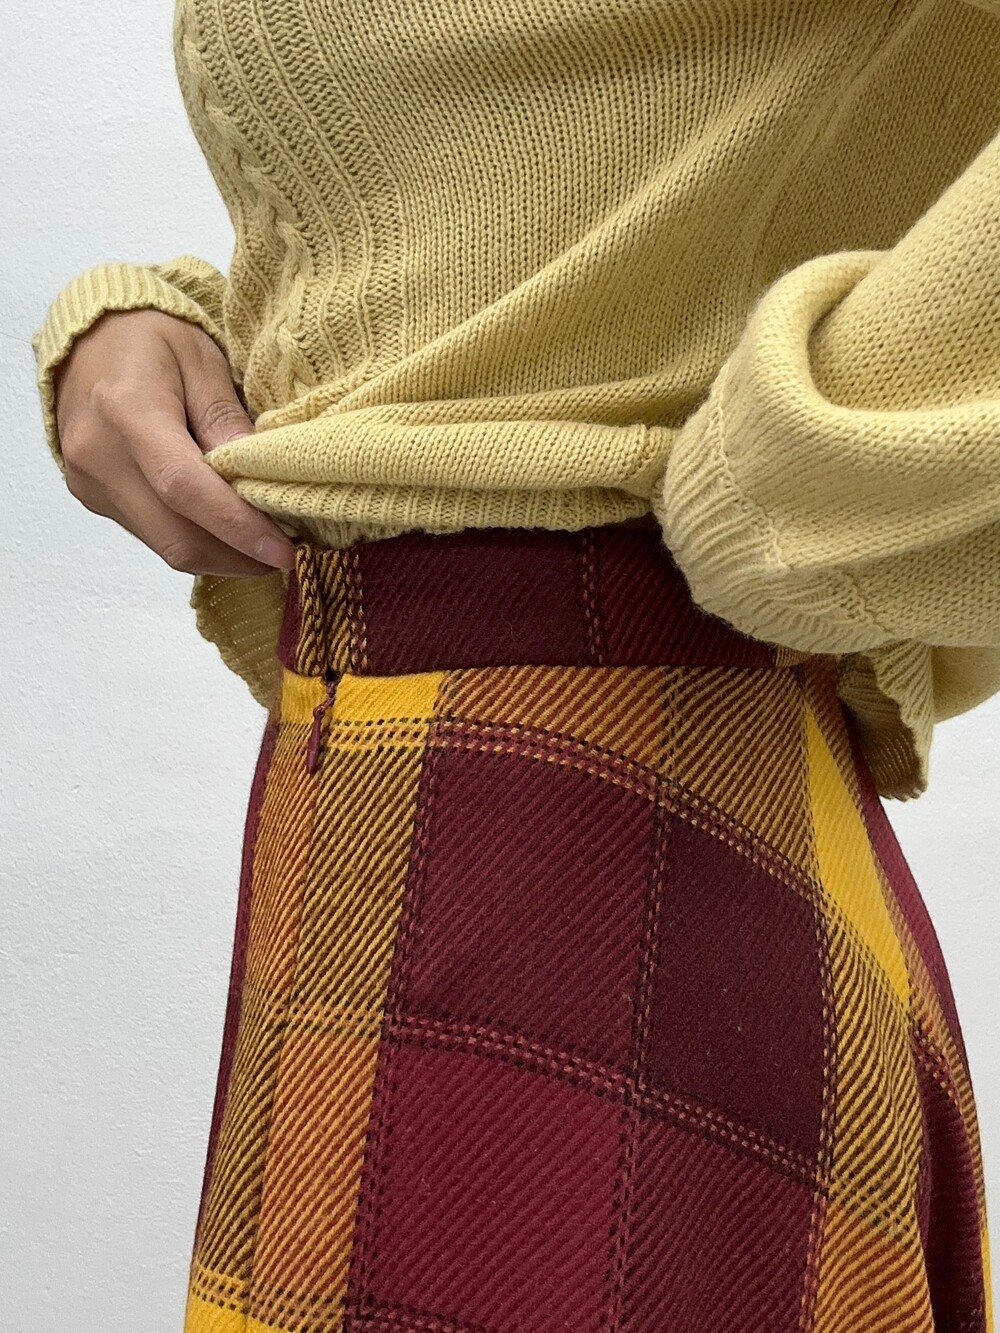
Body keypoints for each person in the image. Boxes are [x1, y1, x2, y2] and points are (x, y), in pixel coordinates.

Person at [31, 1, 1000, 1328]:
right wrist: (152, 320)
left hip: (613, 834)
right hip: (404, 799)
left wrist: (804, 481)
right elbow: (475, 258)